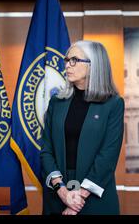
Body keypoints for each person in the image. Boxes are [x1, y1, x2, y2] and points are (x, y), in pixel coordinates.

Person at [41, 40, 124, 215]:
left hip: (95, 197)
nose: (67, 65)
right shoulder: (56, 102)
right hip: (58, 196)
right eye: (66, 60)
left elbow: (108, 156)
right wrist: (62, 192)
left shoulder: (113, 104)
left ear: (94, 65)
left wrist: (78, 199)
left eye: (74, 60)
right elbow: (46, 150)